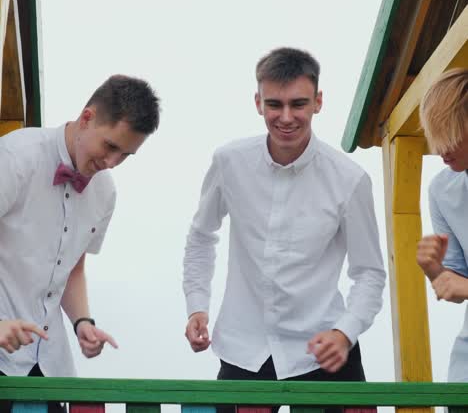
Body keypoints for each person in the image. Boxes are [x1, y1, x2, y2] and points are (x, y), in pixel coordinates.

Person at [183, 47, 386, 412]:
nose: (286, 117)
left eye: (299, 104)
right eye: (275, 104)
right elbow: (201, 234)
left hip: (326, 353)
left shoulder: (350, 179)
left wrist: (345, 331)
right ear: (258, 102)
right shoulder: (228, 162)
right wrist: (197, 305)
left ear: (318, 102)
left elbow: (369, 273)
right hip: (244, 349)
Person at [0, 74, 160, 411]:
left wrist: (83, 322)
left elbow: (72, 268)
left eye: (126, 155)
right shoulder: (15, 156)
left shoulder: (105, 192)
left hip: (50, 367)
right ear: (87, 117)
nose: (112, 163)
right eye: (111, 146)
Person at [417, 67, 468, 382]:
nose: (439, 150)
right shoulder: (442, 189)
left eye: (450, 133)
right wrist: (435, 270)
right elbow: (457, 288)